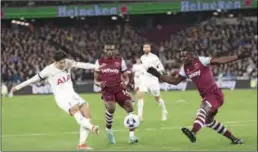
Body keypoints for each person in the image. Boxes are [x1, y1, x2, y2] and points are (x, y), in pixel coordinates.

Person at [147, 47, 249, 144]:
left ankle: (193, 132)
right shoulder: (185, 68)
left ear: (191, 55)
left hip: (214, 94)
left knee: (202, 110)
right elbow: (175, 81)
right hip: (206, 96)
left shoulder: (201, 60)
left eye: (185, 56)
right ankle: (234, 139)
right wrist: (159, 75)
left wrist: (238, 57)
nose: (183, 58)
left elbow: (218, 61)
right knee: (209, 121)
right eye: (181, 56)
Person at [11, 51, 100, 150]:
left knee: (87, 114)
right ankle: (92, 127)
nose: (63, 64)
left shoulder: (68, 63)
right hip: (62, 98)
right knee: (76, 111)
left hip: (73, 94)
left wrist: (96, 66)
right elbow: (33, 79)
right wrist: (18, 87)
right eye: (60, 63)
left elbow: (81, 65)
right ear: (55, 61)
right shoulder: (48, 70)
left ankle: (82, 144)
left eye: (64, 62)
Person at [94, 42, 138, 144]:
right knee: (111, 108)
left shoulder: (120, 61)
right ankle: (108, 130)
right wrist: (99, 83)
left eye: (111, 49)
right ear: (104, 50)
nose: (110, 51)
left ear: (114, 50)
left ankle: (132, 136)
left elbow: (126, 77)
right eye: (107, 49)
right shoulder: (99, 62)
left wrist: (125, 83)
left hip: (119, 88)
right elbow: (95, 80)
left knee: (129, 107)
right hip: (107, 90)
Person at [139, 43, 168, 121]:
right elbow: (147, 68)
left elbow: (160, 66)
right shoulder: (142, 57)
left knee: (157, 98)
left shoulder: (154, 57)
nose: (146, 48)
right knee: (140, 95)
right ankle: (139, 115)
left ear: (150, 48)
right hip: (145, 78)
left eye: (147, 47)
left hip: (153, 79)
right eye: (144, 47)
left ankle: (164, 111)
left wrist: (163, 73)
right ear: (143, 49)